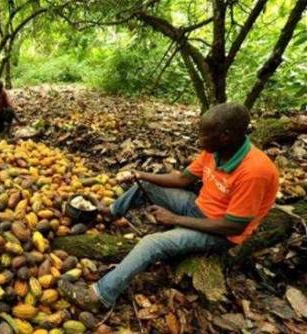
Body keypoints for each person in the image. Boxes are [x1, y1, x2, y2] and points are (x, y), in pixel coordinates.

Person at [58, 103, 279, 310]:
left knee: (152, 244)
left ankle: (99, 296)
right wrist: (139, 174)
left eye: (204, 134)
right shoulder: (216, 151)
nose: (199, 139)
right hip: (199, 207)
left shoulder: (255, 172)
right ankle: (111, 212)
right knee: (146, 185)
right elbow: (183, 180)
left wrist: (174, 219)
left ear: (225, 136)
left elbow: (233, 227)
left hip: (220, 233)